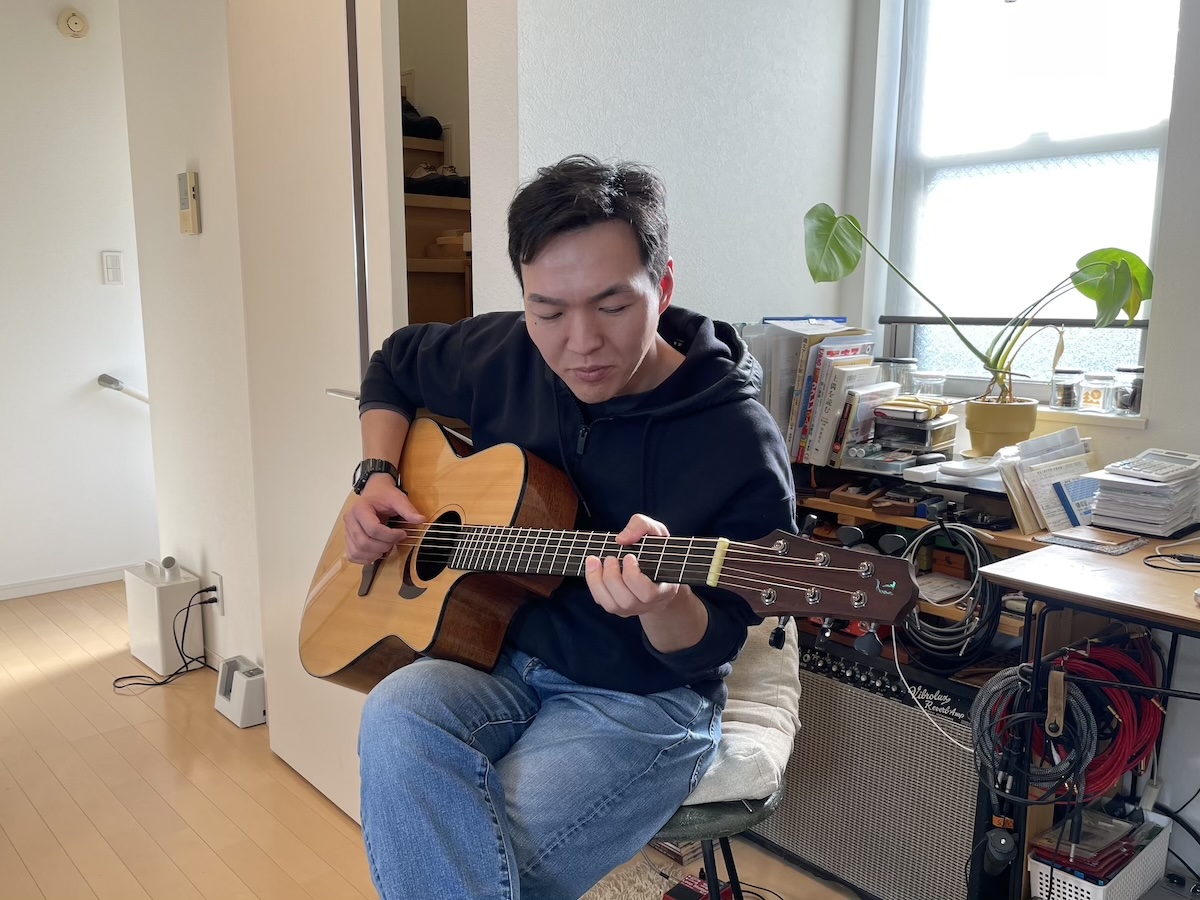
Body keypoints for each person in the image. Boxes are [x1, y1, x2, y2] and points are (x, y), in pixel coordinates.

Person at [346, 154, 796, 899]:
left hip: (643, 698)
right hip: (497, 655)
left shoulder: (737, 441)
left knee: (474, 866)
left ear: (664, 287)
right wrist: (376, 476)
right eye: (548, 312)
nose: (580, 342)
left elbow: (715, 640)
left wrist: (663, 604)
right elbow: (392, 365)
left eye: (612, 306)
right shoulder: (504, 355)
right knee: (396, 712)